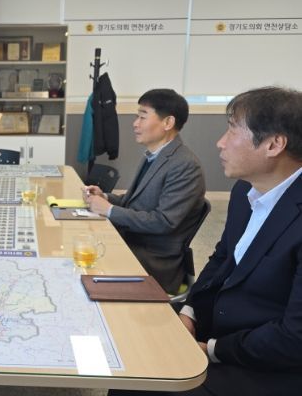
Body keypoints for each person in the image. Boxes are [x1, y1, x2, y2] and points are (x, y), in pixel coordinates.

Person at [113, 87, 302, 395]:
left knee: (142, 383)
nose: (220, 142)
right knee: (131, 345)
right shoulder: (245, 191)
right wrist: (190, 312)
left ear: (274, 144)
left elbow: (293, 338)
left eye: (232, 130)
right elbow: (221, 260)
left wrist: (212, 348)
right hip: (218, 325)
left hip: (263, 362)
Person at [83, 89, 205, 293]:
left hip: (153, 259)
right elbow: (135, 202)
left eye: (142, 117)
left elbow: (163, 222)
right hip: (131, 240)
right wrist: (105, 197)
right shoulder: (153, 155)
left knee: (80, 260)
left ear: (168, 123)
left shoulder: (185, 165)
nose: (135, 123)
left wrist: (109, 210)